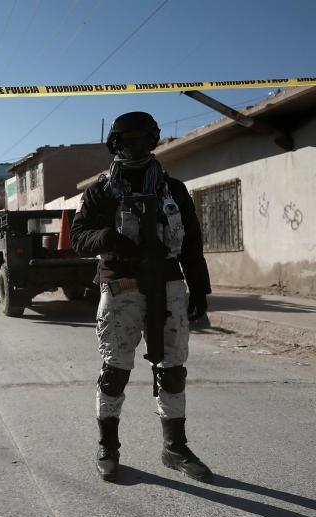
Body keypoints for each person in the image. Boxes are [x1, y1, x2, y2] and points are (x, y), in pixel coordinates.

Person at [70, 111, 212, 483]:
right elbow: (78, 238)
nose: (133, 146)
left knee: (173, 370)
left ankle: (175, 448)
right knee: (115, 370)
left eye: (141, 138)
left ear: (153, 141)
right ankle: (108, 447)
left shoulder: (173, 189)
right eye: (126, 140)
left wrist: (200, 288)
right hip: (121, 284)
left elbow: (192, 244)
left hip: (168, 283)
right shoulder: (100, 192)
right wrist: (109, 239)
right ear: (114, 145)